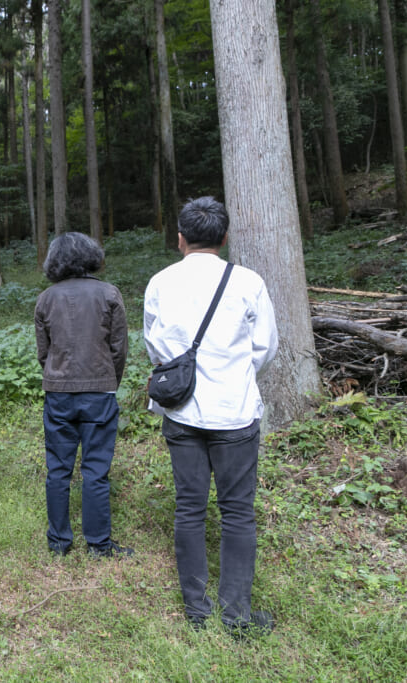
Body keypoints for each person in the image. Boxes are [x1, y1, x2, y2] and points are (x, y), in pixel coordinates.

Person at [143, 196, 278, 636]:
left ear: (179, 239)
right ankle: (237, 616)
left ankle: (198, 615)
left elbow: (155, 345)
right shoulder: (248, 282)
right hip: (235, 411)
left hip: (181, 411)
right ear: (223, 238)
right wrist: (234, 374)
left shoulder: (161, 282)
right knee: (238, 511)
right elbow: (265, 347)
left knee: (189, 508)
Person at [35, 232, 131, 559]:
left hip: (58, 393)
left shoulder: (46, 298)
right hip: (99, 392)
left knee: (58, 469)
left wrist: (57, 375)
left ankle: (59, 542)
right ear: (90, 256)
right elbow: (119, 348)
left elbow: (43, 352)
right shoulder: (108, 294)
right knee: (95, 470)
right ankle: (98, 544)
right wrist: (108, 380)